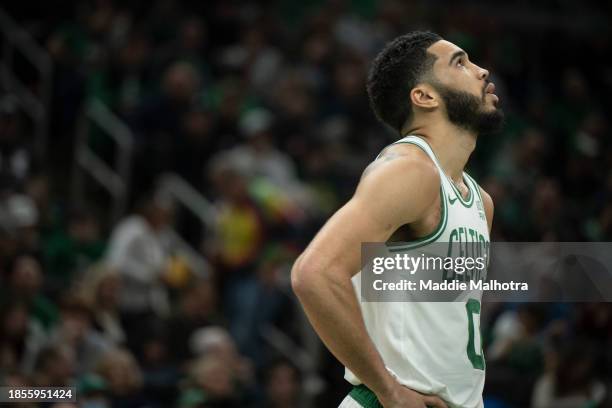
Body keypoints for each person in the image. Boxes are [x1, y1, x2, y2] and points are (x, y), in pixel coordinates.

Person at [291, 31, 503, 408]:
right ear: (424, 96)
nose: (482, 70)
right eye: (460, 62)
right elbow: (314, 274)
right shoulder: (409, 170)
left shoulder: (479, 200)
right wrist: (389, 389)